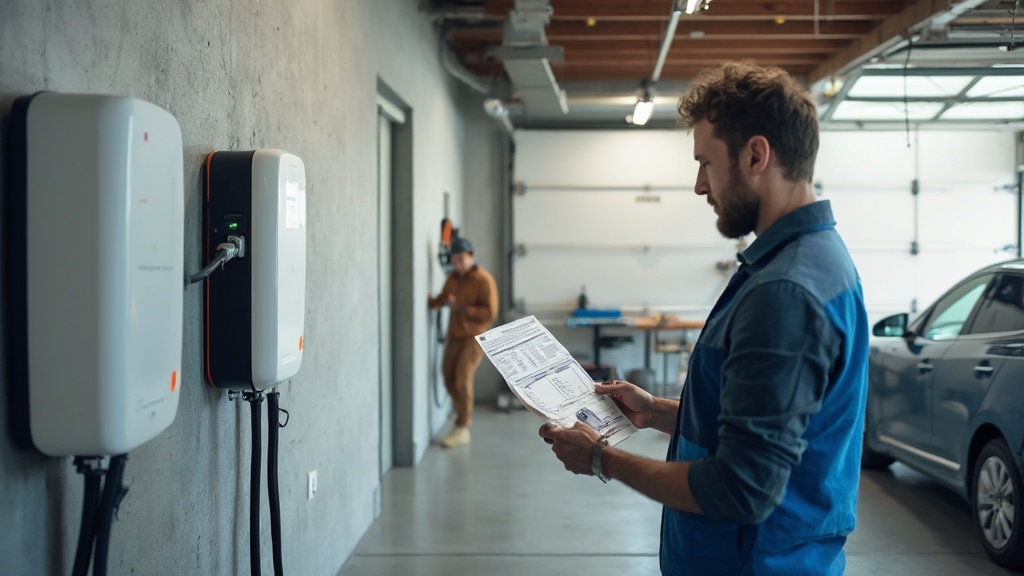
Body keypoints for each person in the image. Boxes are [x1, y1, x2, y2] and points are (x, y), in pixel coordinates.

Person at [538, 61, 869, 575]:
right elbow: (766, 423)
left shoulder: (785, 291)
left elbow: (741, 489)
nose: (698, 185)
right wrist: (659, 412)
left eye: (706, 163)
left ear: (756, 155)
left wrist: (602, 458)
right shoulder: (808, 260)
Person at [428, 237, 498, 448]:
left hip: (475, 338)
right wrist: (431, 302)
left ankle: (462, 427)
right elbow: (442, 298)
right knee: (448, 378)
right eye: (454, 260)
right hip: (455, 336)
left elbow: (489, 313)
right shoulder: (453, 278)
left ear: (470, 256)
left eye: (460, 260)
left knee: (462, 378)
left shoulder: (484, 280)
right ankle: (461, 412)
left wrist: (460, 308)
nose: (457, 264)